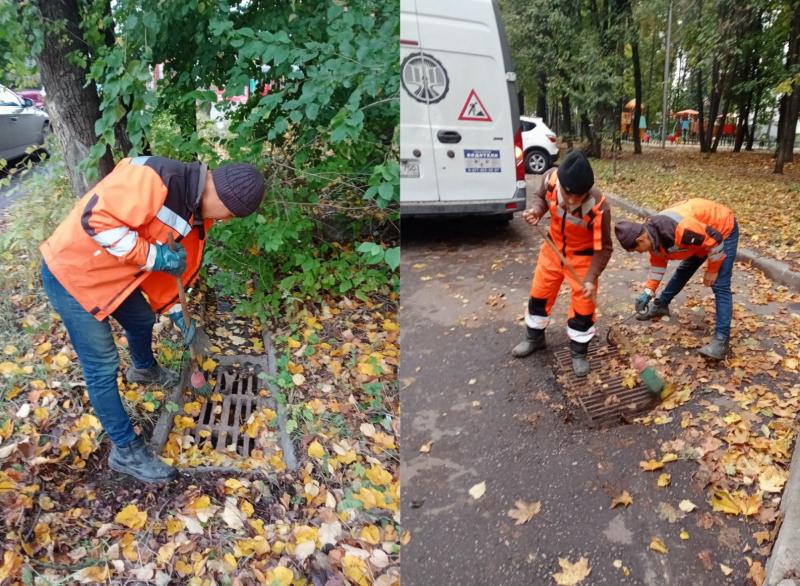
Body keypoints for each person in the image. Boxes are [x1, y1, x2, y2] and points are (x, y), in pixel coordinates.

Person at [40, 156, 265, 483]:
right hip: (72, 272)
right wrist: (153, 256)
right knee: (102, 366)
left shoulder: (197, 211)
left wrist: (176, 310)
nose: (227, 220)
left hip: (114, 273)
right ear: (221, 196)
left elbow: (168, 272)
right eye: (229, 214)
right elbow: (97, 219)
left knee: (142, 319)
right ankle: (126, 452)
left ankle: (143, 368)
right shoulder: (156, 179)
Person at [513, 150, 613, 377]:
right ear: (563, 187)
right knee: (540, 294)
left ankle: (579, 352)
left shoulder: (599, 207)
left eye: (578, 197)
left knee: (583, 307)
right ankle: (534, 338)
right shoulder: (551, 179)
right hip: (553, 249)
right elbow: (540, 198)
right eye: (569, 196)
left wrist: (590, 278)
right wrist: (537, 212)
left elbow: (604, 248)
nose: (571, 202)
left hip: (583, 258)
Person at [614, 198, 739, 360]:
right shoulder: (652, 238)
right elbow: (658, 266)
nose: (639, 253)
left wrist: (712, 270)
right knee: (684, 269)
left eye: (636, 250)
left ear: (641, 240)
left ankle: (722, 342)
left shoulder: (681, 230)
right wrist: (648, 291)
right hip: (701, 236)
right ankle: (661, 305)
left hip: (721, 230)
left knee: (720, 285)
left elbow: (715, 241)